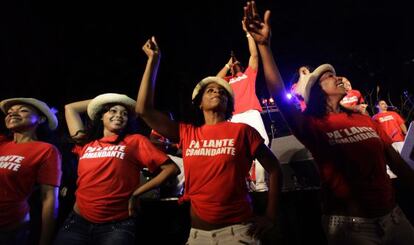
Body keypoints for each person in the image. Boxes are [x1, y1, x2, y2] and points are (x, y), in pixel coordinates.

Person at [244, 1, 414, 244]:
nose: (337, 78)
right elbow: (279, 94)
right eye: (328, 77)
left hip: (394, 218)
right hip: (352, 229)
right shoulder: (312, 124)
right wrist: (263, 46)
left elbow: (396, 162)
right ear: (316, 91)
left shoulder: (364, 119)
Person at [136, 36, 282, 244]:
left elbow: (275, 168)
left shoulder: (243, 131)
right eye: (210, 90)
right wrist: (153, 61)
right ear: (199, 103)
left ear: (229, 103)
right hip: (197, 236)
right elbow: (143, 110)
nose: (217, 92)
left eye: (222, 92)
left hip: (239, 233)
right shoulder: (187, 133)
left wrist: (270, 216)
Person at [53, 93, 179, 245]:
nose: (119, 115)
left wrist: (137, 194)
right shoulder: (86, 142)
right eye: (112, 111)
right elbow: (70, 108)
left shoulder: (135, 141)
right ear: (101, 116)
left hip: (116, 226)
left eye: (124, 113)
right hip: (77, 222)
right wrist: (105, 99)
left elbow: (171, 169)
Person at [216, 21, 270, 214]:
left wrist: (248, 34)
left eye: (237, 62)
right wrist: (226, 65)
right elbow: (214, 80)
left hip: (252, 114)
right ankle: (244, 186)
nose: (236, 64)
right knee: (238, 153)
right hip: (235, 118)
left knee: (262, 145)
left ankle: (261, 185)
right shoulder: (228, 81)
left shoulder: (248, 74)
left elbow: (254, 55)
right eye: (234, 64)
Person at [0, 97, 62, 245]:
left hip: (9, 230)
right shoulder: (2, 142)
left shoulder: (46, 150)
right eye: (9, 112)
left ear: (41, 119)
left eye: (23, 110)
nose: (13, 114)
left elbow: (49, 198)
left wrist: (45, 240)